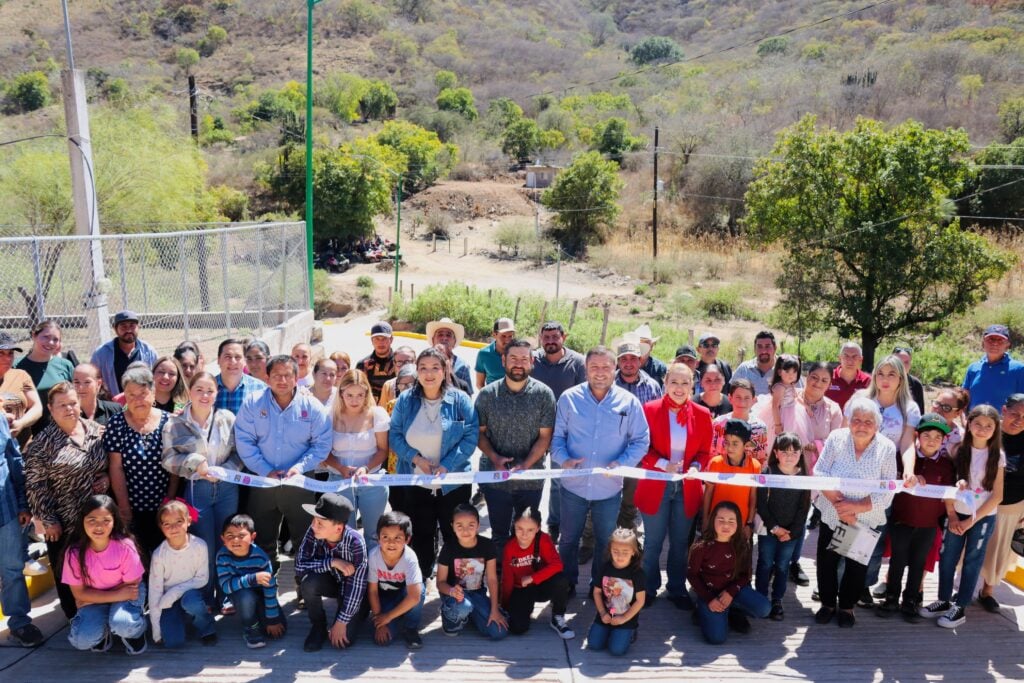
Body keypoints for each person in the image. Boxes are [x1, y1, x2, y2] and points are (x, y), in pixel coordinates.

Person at [550, 346, 650, 595]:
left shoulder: (629, 402)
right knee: (569, 540)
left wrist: (622, 463)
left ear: (614, 369)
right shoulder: (569, 398)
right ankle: (568, 584)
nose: (600, 372)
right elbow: (557, 438)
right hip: (573, 486)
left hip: (609, 489)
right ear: (586, 369)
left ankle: (599, 585)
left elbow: (641, 440)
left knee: (605, 542)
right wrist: (564, 460)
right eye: (594, 367)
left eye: (606, 367)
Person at [235, 355, 332, 573]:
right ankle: (265, 588)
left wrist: (298, 468)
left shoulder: (312, 406)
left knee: (306, 538)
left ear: (296, 377)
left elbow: (321, 444)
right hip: (262, 483)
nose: (282, 380)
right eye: (276, 375)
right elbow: (244, 440)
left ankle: (304, 588)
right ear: (267, 377)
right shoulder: (252, 403)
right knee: (262, 539)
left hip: (300, 483)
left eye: (288, 375)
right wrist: (265, 470)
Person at [389, 347, 478, 579]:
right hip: (415, 481)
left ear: (445, 369)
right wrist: (416, 458)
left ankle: (459, 583)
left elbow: (471, 437)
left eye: (435, 368)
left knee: (456, 534)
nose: (429, 374)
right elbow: (395, 436)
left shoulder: (460, 400)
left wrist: (447, 464)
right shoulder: (405, 401)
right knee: (421, 535)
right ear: (417, 371)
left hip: (453, 483)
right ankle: (423, 580)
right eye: (423, 368)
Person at [24, 382, 107, 619]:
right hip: (63, 522)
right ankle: (77, 620)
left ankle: (103, 615)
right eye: (62, 405)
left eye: (72, 402)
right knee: (68, 574)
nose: (69, 408)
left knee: (98, 571)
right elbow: (35, 485)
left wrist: (106, 479)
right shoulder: (42, 443)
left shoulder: (97, 431)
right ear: (50, 408)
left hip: (99, 520)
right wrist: (49, 520)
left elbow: (108, 466)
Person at [813, 398, 896, 628]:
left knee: (856, 566)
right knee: (827, 562)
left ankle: (847, 607)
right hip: (833, 513)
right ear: (849, 421)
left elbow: (888, 489)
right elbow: (819, 472)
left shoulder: (886, 448)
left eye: (868, 421)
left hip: (865, 518)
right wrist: (842, 507)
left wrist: (855, 509)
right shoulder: (836, 439)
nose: (862, 425)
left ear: (877, 425)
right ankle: (828, 604)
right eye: (857, 420)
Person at [634, 363, 712, 611]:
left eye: (685, 383)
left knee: (680, 543)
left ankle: (676, 588)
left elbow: (704, 451)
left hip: (686, 487)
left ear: (693, 385)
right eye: (674, 382)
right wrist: (662, 464)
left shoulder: (702, 414)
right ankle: (648, 587)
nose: (679, 388)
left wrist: (697, 467)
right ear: (665, 383)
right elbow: (641, 447)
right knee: (653, 541)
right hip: (657, 484)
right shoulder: (649, 409)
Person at [920, 405, 1005, 628]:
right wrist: (953, 515)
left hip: (981, 518)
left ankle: (961, 606)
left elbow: (997, 496)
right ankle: (943, 599)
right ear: (969, 423)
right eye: (978, 423)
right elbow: (948, 484)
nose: (982, 429)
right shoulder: (957, 449)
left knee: (972, 561)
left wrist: (971, 521)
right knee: (947, 557)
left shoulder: (998, 456)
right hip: (956, 513)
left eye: (989, 425)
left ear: (996, 429)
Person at [161, 371, 240, 609]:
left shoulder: (227, 418)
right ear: (189, 392)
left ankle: (225, 594)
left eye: (210, 391)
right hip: (198, 489)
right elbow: (168, 459)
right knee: (204, 544)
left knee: (227, 539)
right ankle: (206, 596)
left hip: (227, 488)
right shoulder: (175, 423)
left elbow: (239, 453)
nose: (204, 395)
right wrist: (195, 462)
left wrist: (224, 469)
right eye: (199, 390)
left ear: (217, 394)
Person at [476, 340, 555, 558]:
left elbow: (545, 437)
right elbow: (479, 433)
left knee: (526, 535)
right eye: (513, 358)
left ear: (532, 362)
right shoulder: (487, 395)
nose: (518, 364)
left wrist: (525, 464)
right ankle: (500, 580)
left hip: (531, 479)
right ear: (503, 360)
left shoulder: (544, 395)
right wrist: (494, 457)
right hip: (494, 477)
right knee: (499, 534)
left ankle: (523, 582)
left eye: (523, 359)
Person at [878, 414, 955, 622]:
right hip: (901, 520)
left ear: (944, 440)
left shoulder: (946, 464)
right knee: (897, 561)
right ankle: (891, 598)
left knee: (918, 563)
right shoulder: (905, 457)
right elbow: (891, 481)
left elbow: (949, 492)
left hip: (929, 524)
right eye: (927, 435)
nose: (932, 440)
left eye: (938, 437)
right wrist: (908, 478)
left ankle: (911, 601)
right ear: (917, 436)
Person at [858, 354, 921, 604]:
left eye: (891, 374)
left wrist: (908, 469)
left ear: (901, 378)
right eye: (881, 374)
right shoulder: (863, 400)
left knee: (874, 534)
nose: (885, 379)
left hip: (885, 480)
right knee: (848, 530)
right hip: (857, 474)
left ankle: (863, 585)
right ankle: (840, 582)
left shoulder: (909, 407)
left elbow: (907, 443)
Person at [783, 361, 843, 587]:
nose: (818, 383)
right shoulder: (791, 398)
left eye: (824, 380)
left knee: (801, 516)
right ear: (806, 376)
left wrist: (814, 444)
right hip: (787, 468)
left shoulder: (833, 409)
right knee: (780, 513)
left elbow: (837, 442)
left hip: (815, 472)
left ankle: (793, 562)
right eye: (814, 377)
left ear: (830, 383)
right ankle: (776, 562)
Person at [63, 495, 147, 654]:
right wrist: (116, 595)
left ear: (114, 520)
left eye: (105, 520)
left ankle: (135, 633)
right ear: (82, 520)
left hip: (112, 596)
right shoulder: (74, 553)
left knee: (123, 623)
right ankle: (104, 631)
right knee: (81, 640)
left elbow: (132, 586)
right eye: (92, 520)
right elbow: (79, 593)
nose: (99, 526)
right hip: (115, 595)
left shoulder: (125, 546)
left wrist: (91, 596)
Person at [105, 363, 175, 554]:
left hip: (164, 505)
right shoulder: (116, 424)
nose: (137, 400)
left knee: (164, 554)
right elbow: (116, 467)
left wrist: (169, 498)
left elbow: (174, 464)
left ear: (153, 393)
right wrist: (124, 507)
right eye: (131, 395)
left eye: (142, 393)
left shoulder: (168, 421)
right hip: (132, 506)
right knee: (137, 555)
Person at [531, 320, 587, 544]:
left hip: (564, 433)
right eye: (546, 337)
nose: (551, 341)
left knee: (558, 481)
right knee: (532, 478)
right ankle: (528, 522)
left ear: (564, 337)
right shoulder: (533, 360)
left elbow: (584, 396)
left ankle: (554, 524)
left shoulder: (578, 363)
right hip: (534, 431)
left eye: (555, 337)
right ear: (541, 339)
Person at [325, 369, 390, 552]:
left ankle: (372, 576)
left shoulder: (377, 414)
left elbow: (383, 450)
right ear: (341, 394)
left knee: (373, 534)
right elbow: (324, 452)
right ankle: (349, 576)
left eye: (360, 395)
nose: (355, 400)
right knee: (344, 533)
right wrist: (340, 467)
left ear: (367, 394)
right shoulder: (329, 416)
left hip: (372, 482)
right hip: (339, 481)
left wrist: (366, 468)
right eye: (350, 395)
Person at [688, 501, 770, 643]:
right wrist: (709, 599)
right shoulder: (701, 546)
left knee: (764, 608)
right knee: (717, 639)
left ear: (738, 523)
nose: (726, 525)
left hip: (733, 591)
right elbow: (692, 575)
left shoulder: (742, 544)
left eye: (731, 521)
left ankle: (731, 610)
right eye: (721, 520)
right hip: (710, 593)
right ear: (713, 520)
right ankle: (703, 611)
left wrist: (731, 592)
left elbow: (745, 575)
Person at [295, 493, 368, 652]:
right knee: (308, 583)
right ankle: (318, 627)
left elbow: (357, 585)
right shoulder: (314, 531)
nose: (314, 525)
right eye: (314, 520)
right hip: (331, 581)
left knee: (343, 641)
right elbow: (300, 567)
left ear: (339, 528)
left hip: (352, 589)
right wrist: (332, 562)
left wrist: (342, 622)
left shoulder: (356, 542)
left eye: (320, 523)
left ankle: (359, 612)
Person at [0, 411, 44, 647]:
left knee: (12, 570)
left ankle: (19, 624)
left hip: (5, 509)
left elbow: (14, 460)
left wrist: (23, 502)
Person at [755, 433, 811, 621]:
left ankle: (777, 599)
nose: (789, 456)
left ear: (800, 453)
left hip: (790, 534)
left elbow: (804, 507)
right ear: (776, 453)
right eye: (784, 452)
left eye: (794, 452)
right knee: (765, 563)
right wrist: (774, 527)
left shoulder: (803, 476)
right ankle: (761, 597)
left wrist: (793, 532)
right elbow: (761, 504)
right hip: (769, 530)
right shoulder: (768, 473)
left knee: (782, 566)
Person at [148, 499, 216, 648]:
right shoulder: (159, 555)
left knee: (191, 602)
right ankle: (180, 619)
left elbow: (202, 579)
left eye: (179, 521)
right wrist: (156, 631)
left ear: (189, 521)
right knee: (173, 643)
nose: (174, 528)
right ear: (161, 527)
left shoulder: (199, 546)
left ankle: (206, 627)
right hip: (167, 601)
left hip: (192, 594)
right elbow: (155, 591)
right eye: (167, 524)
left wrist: (173, 593)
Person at [436, 503, 508, 639]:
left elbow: (492, 579)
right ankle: (450, 620)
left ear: (478, 525)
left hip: (477, 594)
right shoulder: (448, 547)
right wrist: (452, 591)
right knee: (463, 606)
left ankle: (470, 616)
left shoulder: (487, 545)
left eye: (471, 525)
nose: (465, 530)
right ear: (452, 527)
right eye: (459, 526)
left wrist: (494, 609)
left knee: (498, 632)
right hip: (455, 595)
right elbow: (440, 582)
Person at [979, 393, 1024, 613]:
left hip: (1012, 505)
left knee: (1000, 552)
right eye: (1015, 413)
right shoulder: (987, 431)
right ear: (1004, 411)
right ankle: (962, 587)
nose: (1019, 419)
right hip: (979, 501)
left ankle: (987, 591)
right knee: (970, 548)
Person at [500, 507, 573, 638]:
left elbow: (557, 565)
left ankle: (557, 616)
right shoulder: (509, 547)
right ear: (514, 527)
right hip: (521, 589)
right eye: (519, 529)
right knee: (517, 628)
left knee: (562, 580)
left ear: (538, 528)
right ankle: (525, 609)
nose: (524, 534)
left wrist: (533, 578)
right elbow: (507, 579)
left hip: (541, 585)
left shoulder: (543, 540)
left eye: (530, 530)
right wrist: (504, 605)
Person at [216, 514, 286, 649]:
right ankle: (250, 626)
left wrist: (272, 619)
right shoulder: (222, 556)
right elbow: (226, 586)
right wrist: (253, 579)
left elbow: (270, 587)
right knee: (246, 596)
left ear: (253, 537)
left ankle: (260, 614)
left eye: (241, 536)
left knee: (276, 631)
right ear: (223, 539)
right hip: (239, 595)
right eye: (230, 536)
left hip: (260, 594)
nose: (235, 540)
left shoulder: (261, 557)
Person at [367, 511, 424, 649]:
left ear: (407, 539)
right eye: (385, 537)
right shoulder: (373, 556)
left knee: (420, 591)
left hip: (404, 595)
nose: (391, 542)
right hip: (384, 598)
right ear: (378, 538)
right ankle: (396, 617)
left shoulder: (409, 558)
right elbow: (372, 591)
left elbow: (414, 597)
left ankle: (411, 627)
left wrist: (388, 617)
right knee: (383, 641)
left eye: (397, 538)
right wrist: (380, 621)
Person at [587, 527, 645, 656]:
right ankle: (608, 632)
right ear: (610, 550)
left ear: (633, 552)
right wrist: (602, 613)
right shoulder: (604, 568)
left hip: (626, 617)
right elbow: (597, 592)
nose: (620, 556)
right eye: (616, 551)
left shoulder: (637, 573)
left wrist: (624, 618)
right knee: (594, 645)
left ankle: (630, 631)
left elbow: (640, 601)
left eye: (625, 552)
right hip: (606, 614)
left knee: (617, 650)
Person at [704, 419, 761, 540]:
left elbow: (753, 497)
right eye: (727, 442)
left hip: (741, 522)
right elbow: (708, 493)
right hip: (717, 523)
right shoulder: (715, 463)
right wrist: (705, 520)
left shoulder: (755, 466)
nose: (729, 447)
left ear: (746, 445)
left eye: (735, 443)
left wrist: (749, 524)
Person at [15, 319, 74, 434]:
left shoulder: (65, 365)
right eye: (45, 337)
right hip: (28, 433)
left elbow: (76, 399)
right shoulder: (16, 366)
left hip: (62, 432)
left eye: (55, 339)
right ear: (34, 336)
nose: (50, 342)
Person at [90, 310, 159, 396]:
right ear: (115, 329)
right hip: (114, 405)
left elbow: (156, 380)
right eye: (123, 326)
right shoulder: (101, 354)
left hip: (141, 401)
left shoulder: (149, 351)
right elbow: (93, 381)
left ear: (138, 327)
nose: (129, 330)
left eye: (132, 326)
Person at [962, 324, 1024, 410]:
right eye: (991, 339)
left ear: (1008, 344)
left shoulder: (1019, 369)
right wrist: (964, 420)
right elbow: (964, 399)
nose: (995, 343)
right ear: (983, 342)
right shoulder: (973, 368)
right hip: (974, 422)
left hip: (1003, 423)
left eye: (1000, 340)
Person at [0, 331, 43, 445]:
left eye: (10, 353)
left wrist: (21, 423)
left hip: (22, 448)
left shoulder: (20, 375)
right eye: (1, 353)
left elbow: (37, 407)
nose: (7, 358)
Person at [712, 379, 769, 463]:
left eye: (747, 398)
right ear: (730, 398)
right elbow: (712, 453)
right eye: (738, 397)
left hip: (749, 474)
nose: (742, 402)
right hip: (721, 473)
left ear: (753, 400)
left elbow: (761, 458)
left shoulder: (760, 427)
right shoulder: (718, 423)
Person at [215, 338, 265, 414]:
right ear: (218, 360)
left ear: (244, 361)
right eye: (227, 357)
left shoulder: (260, 389)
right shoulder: (206, 388)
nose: (233, 362)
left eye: (237, 357)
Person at [426, 317, 473, 392]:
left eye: (448, 335)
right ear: (433, 340)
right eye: (440, 334)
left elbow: (467, 397)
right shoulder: (423, 362)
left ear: (454, 342)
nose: (444, 338)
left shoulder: (463, 366)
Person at [614, 335, 663, 405]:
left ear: (639, 360)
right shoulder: (608, 385)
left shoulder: (652, 387)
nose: (628, 363)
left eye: (633, 358)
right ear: (618, 362)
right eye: (624, 359)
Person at [356, 321, 396, 403]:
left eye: (384, 338)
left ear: (391, 339)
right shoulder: (362, 365)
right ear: (372, 340)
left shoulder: (400, 363)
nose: (380, 342)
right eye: (377, 339)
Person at [825, 342, 871, 410]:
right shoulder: (827, 377)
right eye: (846, 356)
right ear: (840, 358)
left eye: (854, 357)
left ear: (861, 360)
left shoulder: (868, 381)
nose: (850, 361)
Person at [732, 330, 780, 396]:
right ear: (754, 349)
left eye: (767, 346)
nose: (763, 351)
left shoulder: (786, 369)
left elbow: (798, 396)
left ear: (775, 348)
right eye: (759, 346)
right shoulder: (744, 369)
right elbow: (731, 394)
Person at [476, 317, 517, 389]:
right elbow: (479, 384)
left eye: (510, 336)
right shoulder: (483, 354)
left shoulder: (518, 354)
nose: (507, 340)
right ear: (494, 335)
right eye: (503, 336)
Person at [769, 354, 802, 441]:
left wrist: (806, 407)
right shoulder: (780, 387)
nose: (791, 375)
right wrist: (778, 425)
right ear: (779, 372)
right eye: (787, 372)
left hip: (793, 413)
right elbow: (775, 406)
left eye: (794, 372)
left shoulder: (790, 384)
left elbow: (796, 398)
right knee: (783, 439)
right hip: (783, 416)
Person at [893, 346, 926, 415]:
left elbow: (920, 413)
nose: (902, 366)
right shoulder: (882, 381)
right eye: (899, 362)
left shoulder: (916, 385)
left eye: (906, 362)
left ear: (910, 364)